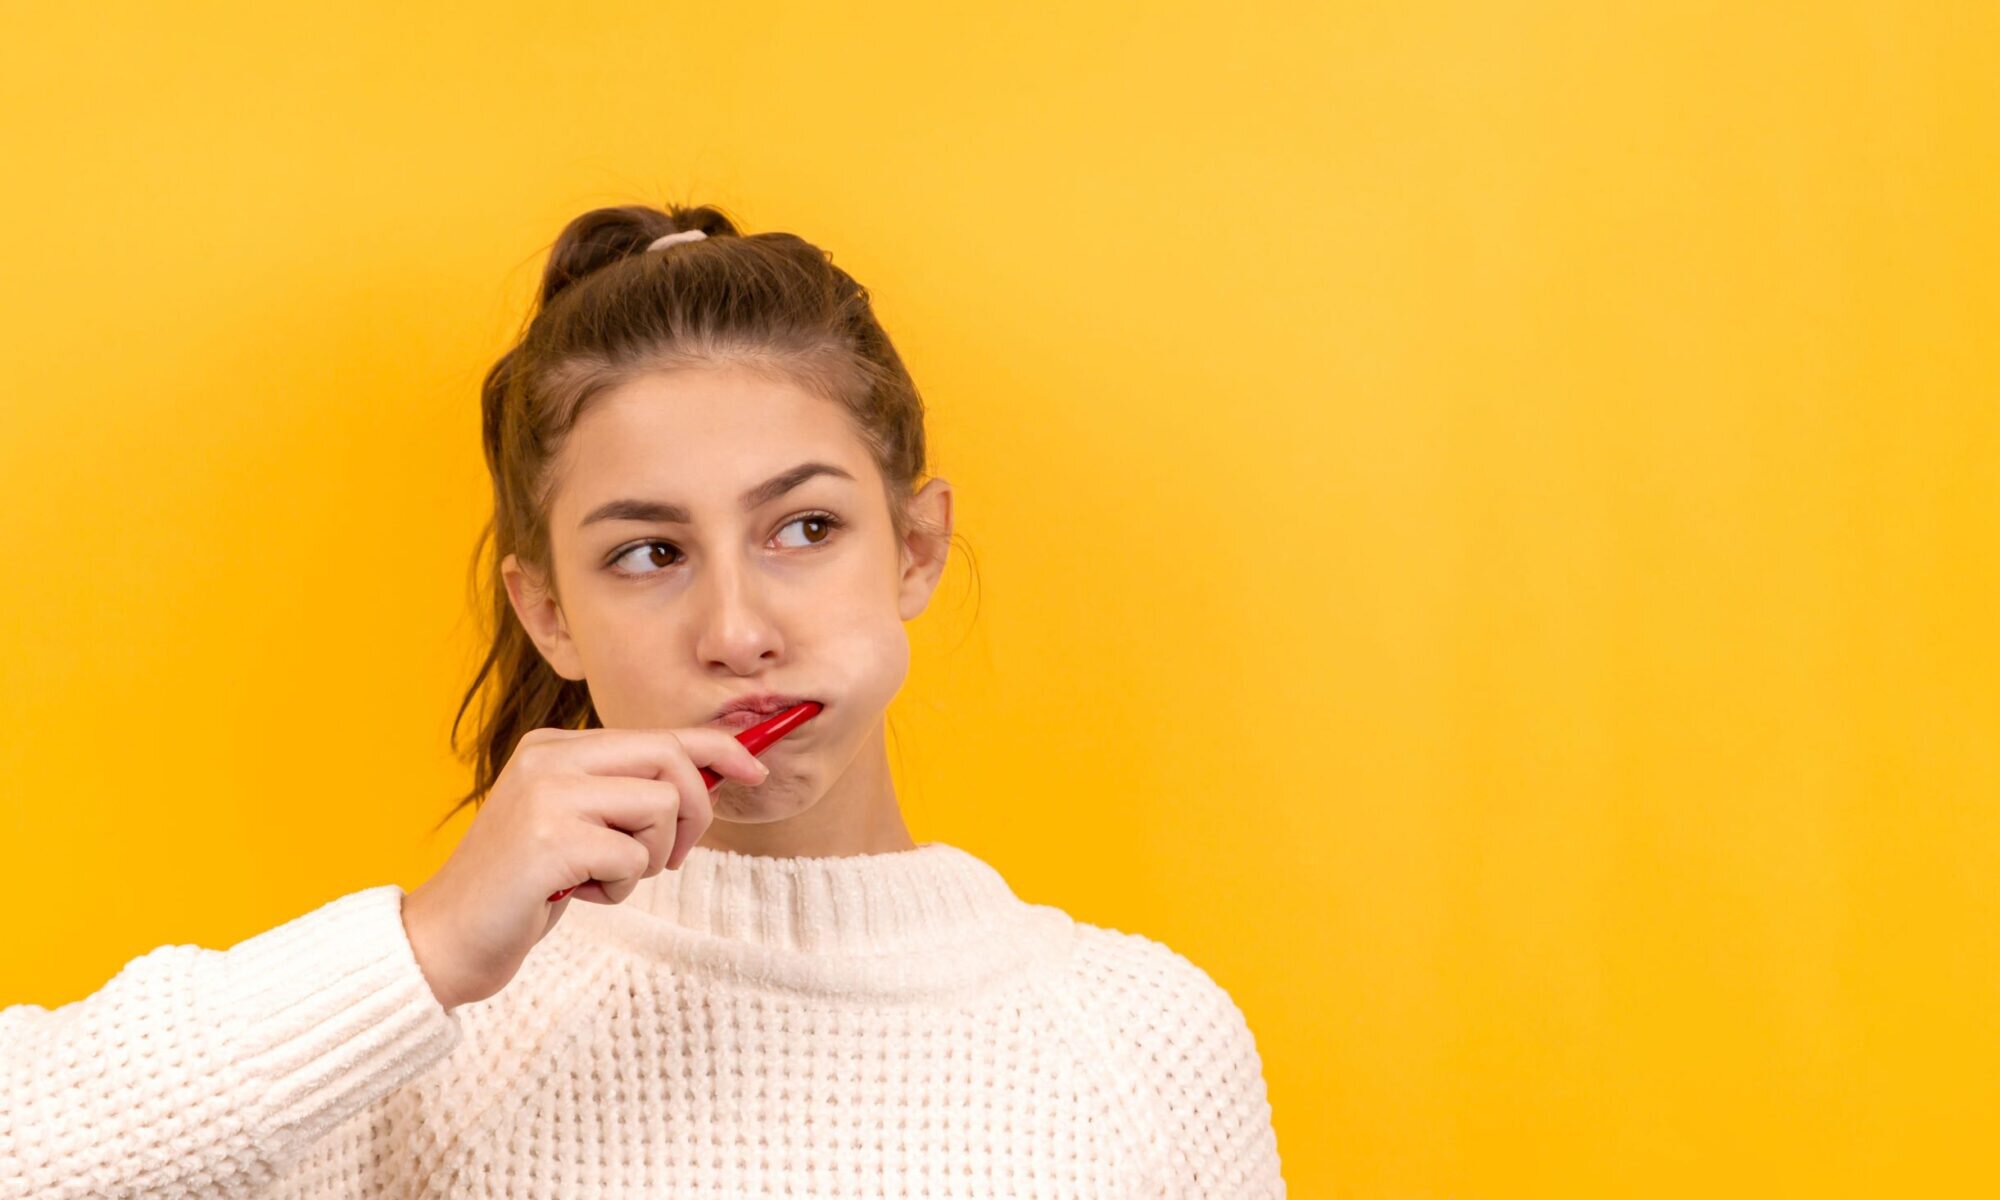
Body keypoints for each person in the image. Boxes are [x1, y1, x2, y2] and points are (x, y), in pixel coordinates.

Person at [0, 203, 1286, 1198]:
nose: (737, 631)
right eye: (648, 554)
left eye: (802, 527)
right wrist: (428, 952)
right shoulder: (418, 1037)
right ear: (548, 611)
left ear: (916, 548)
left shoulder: (1146, 1041)